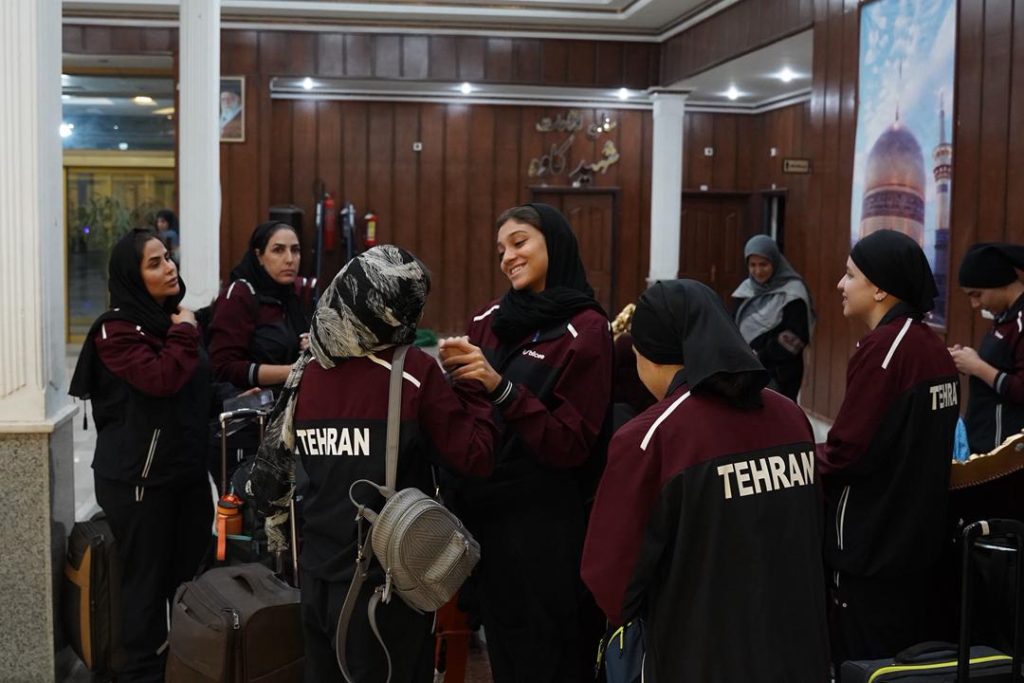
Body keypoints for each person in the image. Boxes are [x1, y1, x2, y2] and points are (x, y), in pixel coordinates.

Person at [247, 245, 497, 683]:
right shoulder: (411, 371)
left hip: (317, 577)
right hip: (388, 589)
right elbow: (475, 456)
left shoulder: (310, 371)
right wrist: (474, 385)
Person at [581, 279, 830, 682]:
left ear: (649, 354)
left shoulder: (651, 437)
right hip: (798, 654)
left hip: (699, 659)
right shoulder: (791, 416)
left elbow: (612, 585)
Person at [439, 203, 613, 683]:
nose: (508, 257)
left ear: (553, 243)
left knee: (553, 657)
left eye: (519, 243)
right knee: (506, 650)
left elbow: (570, 443)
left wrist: (502, 389)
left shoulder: (587, 329)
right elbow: (471, 411)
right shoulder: (488, 318)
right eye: (501, 250)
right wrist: (449, 382)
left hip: (546, 525)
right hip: (487, 517)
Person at [69, 228, 214, 682]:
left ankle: (182, 666)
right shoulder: (115, 330)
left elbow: (196, 385)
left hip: (185, 473)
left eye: (168, 257)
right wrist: (186, 332)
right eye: (154, 263)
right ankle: (139, 673)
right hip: (139, 481)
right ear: (132, 276)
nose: (169, 267)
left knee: (189, 579)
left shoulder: (168, 320)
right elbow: (160, 379)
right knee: (144, 588)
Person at [818, 229, 960, 666]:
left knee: (865, 664)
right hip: (918, 542)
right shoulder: (931, 346)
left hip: (873, 545)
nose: (840, 285)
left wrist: (800, 461)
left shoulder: (886, 349)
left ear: (880, 288)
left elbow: (848, 451)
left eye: (850, 275)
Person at [208, 221, 310, 487]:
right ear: (258, 255)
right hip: (246, 429)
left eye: (295, 250)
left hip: (285, 425)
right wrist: (293, 371)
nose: (290, 259)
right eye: (278, 250)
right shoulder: (240, 295)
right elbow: (224, 366)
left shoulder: (292, 296)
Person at [951, 243, 1024, 454]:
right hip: (985, 439)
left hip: (1005, 452)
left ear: (998, 283)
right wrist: (968, 359)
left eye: (977, 294)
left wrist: (977, 367)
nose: (975, 304)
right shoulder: (1005, 316)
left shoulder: (1020, 320)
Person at [732, 234, 815, 400]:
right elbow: (734, 327)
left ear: (775, 262)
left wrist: (761, 355)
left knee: (779, 414)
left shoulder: (793, 292)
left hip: (781, 374)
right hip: (748, 371)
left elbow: (797, 336)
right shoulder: (745, 291)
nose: (758, 271)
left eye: (763, 264)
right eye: (752, 265)